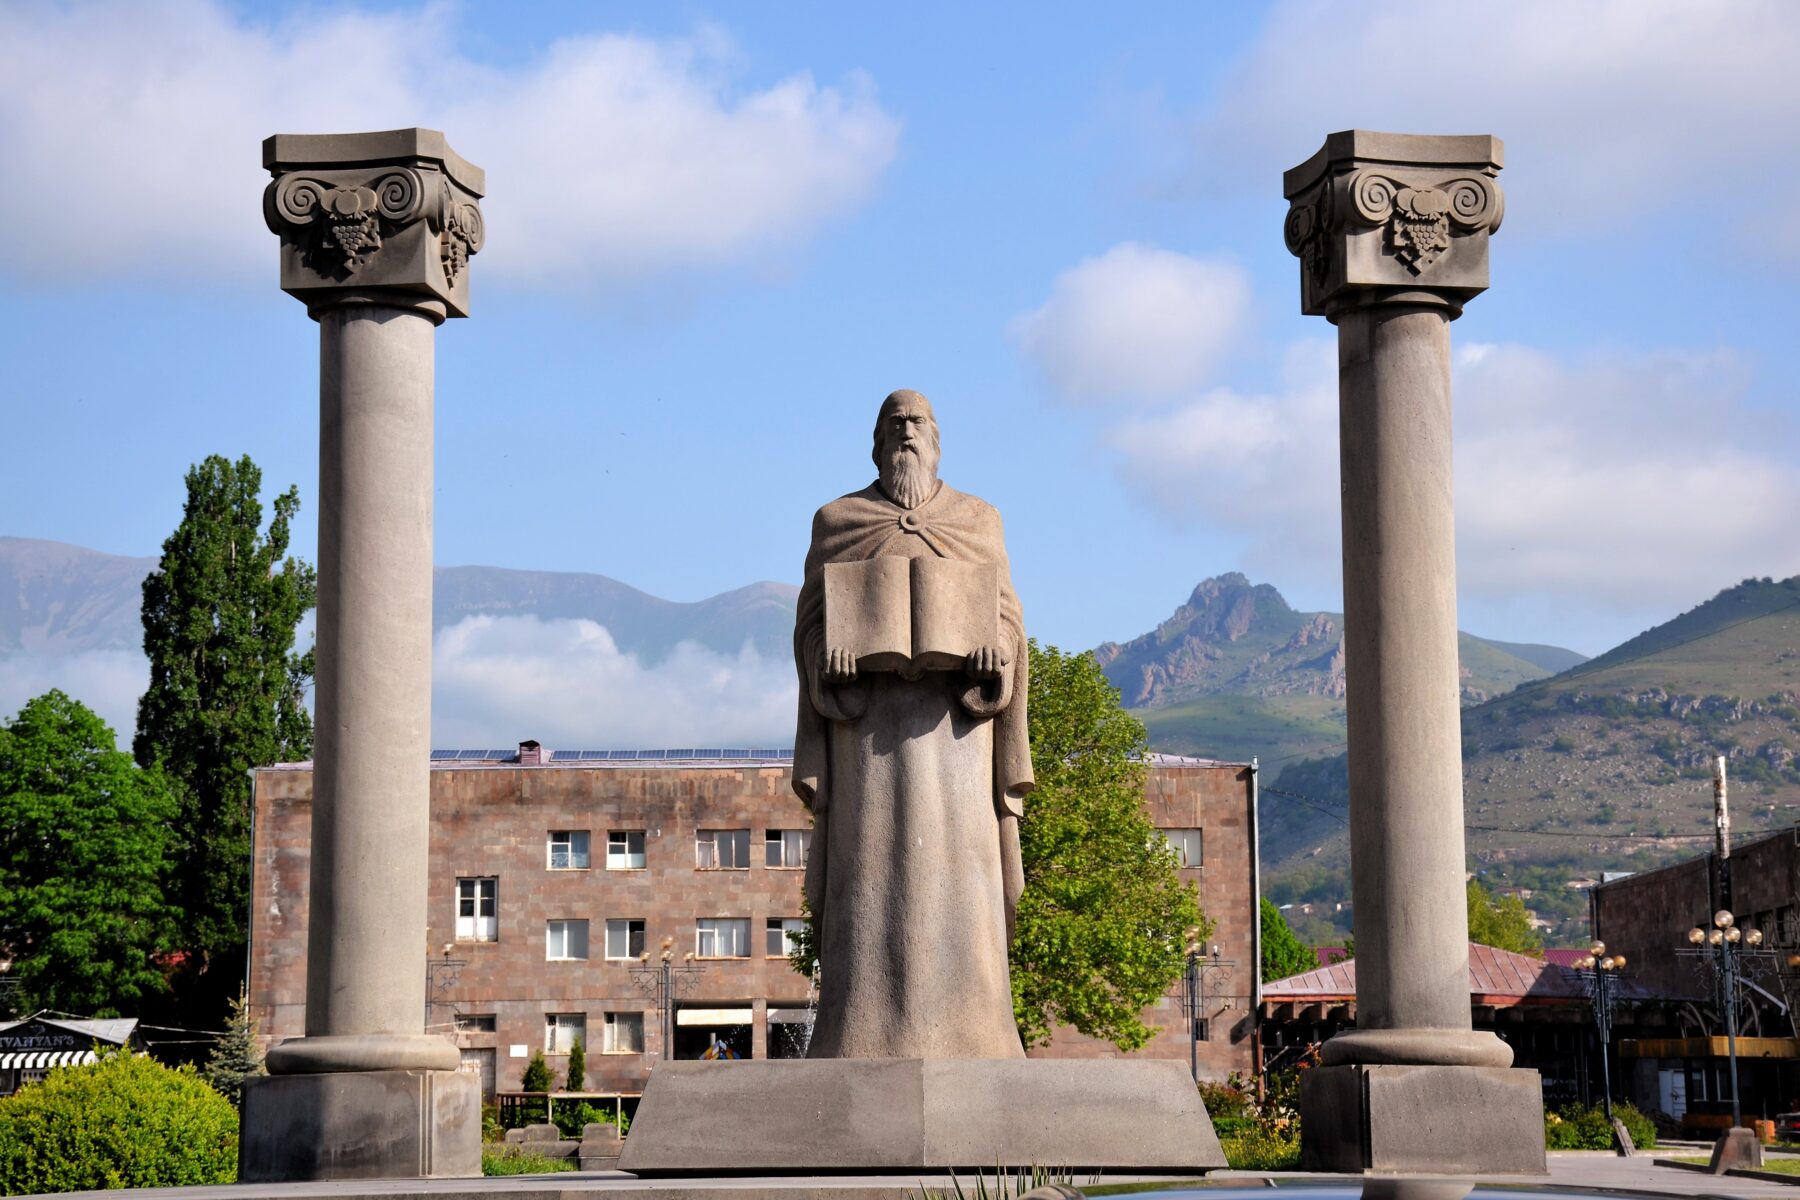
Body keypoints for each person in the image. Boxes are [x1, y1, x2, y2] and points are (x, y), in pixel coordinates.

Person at [792, 389, 1033, 1058]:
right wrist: (825, 660)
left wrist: (998, 653)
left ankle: (978, 1034)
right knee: (870, 887)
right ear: (875, 441)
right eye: (893, 422)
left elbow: (1011, 616)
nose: (905, 431)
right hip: (867, 738)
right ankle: (857, 1034)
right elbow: (810, 621)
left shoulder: (977, 519)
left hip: (957, 733)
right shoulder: (838, 520)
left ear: (937, 439)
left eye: (916, 421)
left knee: (963, 888)